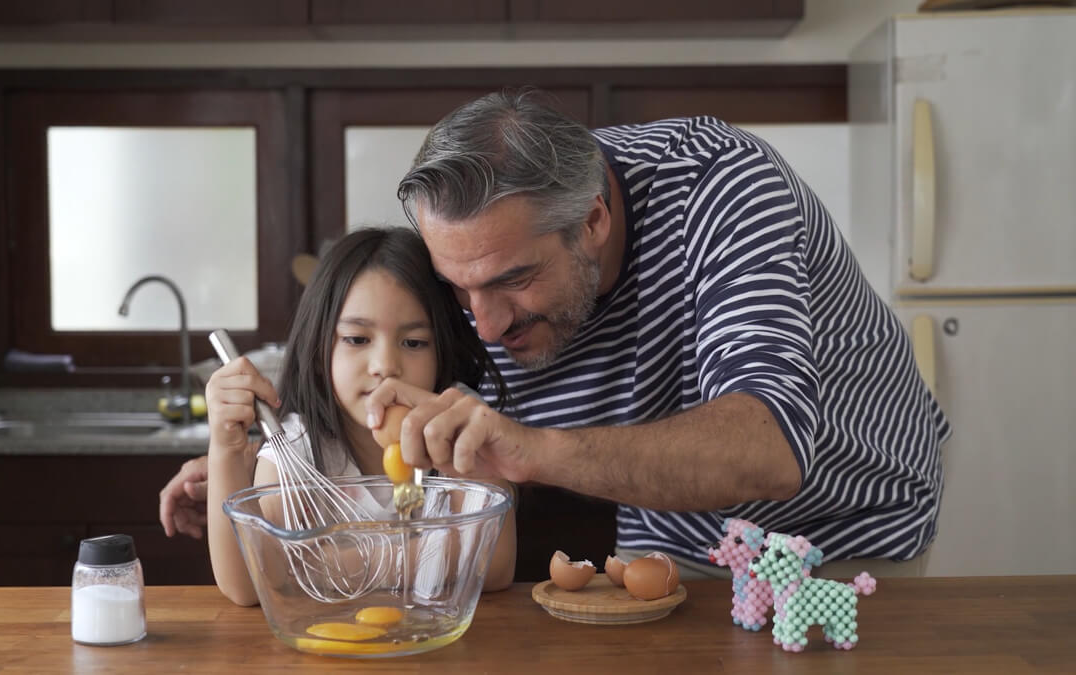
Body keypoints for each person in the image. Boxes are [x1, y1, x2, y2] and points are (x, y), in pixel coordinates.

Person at [164, 90, 949, 580]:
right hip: (674, 557)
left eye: (513, 281)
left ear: (595, 221)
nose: (485, 322)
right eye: (458, 286)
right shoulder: (485, 259)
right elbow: (423, 393)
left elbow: (771, 445)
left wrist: (529, 448)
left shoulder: (724, 188)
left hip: (851, 540)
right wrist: (265, 466)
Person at [203, 227, 516, 605]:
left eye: (414, 343)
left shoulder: (460, 429)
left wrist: (335, 564)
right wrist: (223, 450)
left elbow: (493, 564)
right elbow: (248, 585)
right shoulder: (299, 449)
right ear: (320, 353)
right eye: (357, 340)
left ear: (442, 351)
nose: (385, 365)